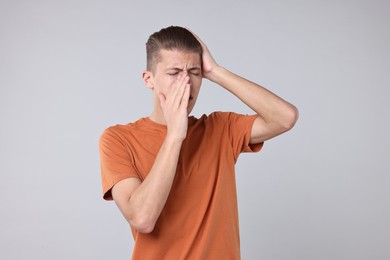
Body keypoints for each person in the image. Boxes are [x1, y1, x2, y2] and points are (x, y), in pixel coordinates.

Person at [99, 26, 298, 259]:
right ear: (149, 79)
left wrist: (215, 71)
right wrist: (175, 135)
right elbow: (142, 218)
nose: (186, 83)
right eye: (174, 73)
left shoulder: (219, 128)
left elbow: (285, 117)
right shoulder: (118, 139)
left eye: (194, 72)